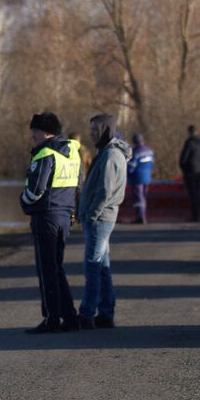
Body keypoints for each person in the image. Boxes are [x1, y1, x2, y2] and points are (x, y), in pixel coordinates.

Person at [20, 111, 80, 333]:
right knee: (57, 268)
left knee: (46, 270)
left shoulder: (45, 153)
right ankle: (70, 317)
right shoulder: (72, 151)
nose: (32, 136)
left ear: (44, 132)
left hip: (46, 216)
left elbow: (36, 190)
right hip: (64, 215)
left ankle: (51, 319)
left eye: (34, 132)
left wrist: (23, 202)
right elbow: (78, 184)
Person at [77, 114, 129, 329]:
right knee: (103, 267)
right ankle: (106, 312)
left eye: (95, 129)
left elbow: (105, 191)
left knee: (93, 267)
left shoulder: (110, 156)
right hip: (101, 218)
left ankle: (87, 314)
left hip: (99, 220)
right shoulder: (106, 152)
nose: (91, 133)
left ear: (105, 129)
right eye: (90, 129)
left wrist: (91, 214)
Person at [178, 125, 200, 221]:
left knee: (192, 194)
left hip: (190, 171)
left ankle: (194, 215)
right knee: (197, 193)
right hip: (199, 171)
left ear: (189, 132)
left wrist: (183, 169)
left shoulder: (189, 143)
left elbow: (183, 158)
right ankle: (198, 214)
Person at [127, 133, 155, 223]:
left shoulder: (135, 152)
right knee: (143, 196)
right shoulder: (149, 151)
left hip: (137, 178)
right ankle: (142, 215)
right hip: (147, 177)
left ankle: (140, 217)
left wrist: (126, 172)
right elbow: (152, 163)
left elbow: (131, 167)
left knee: (138, 198)